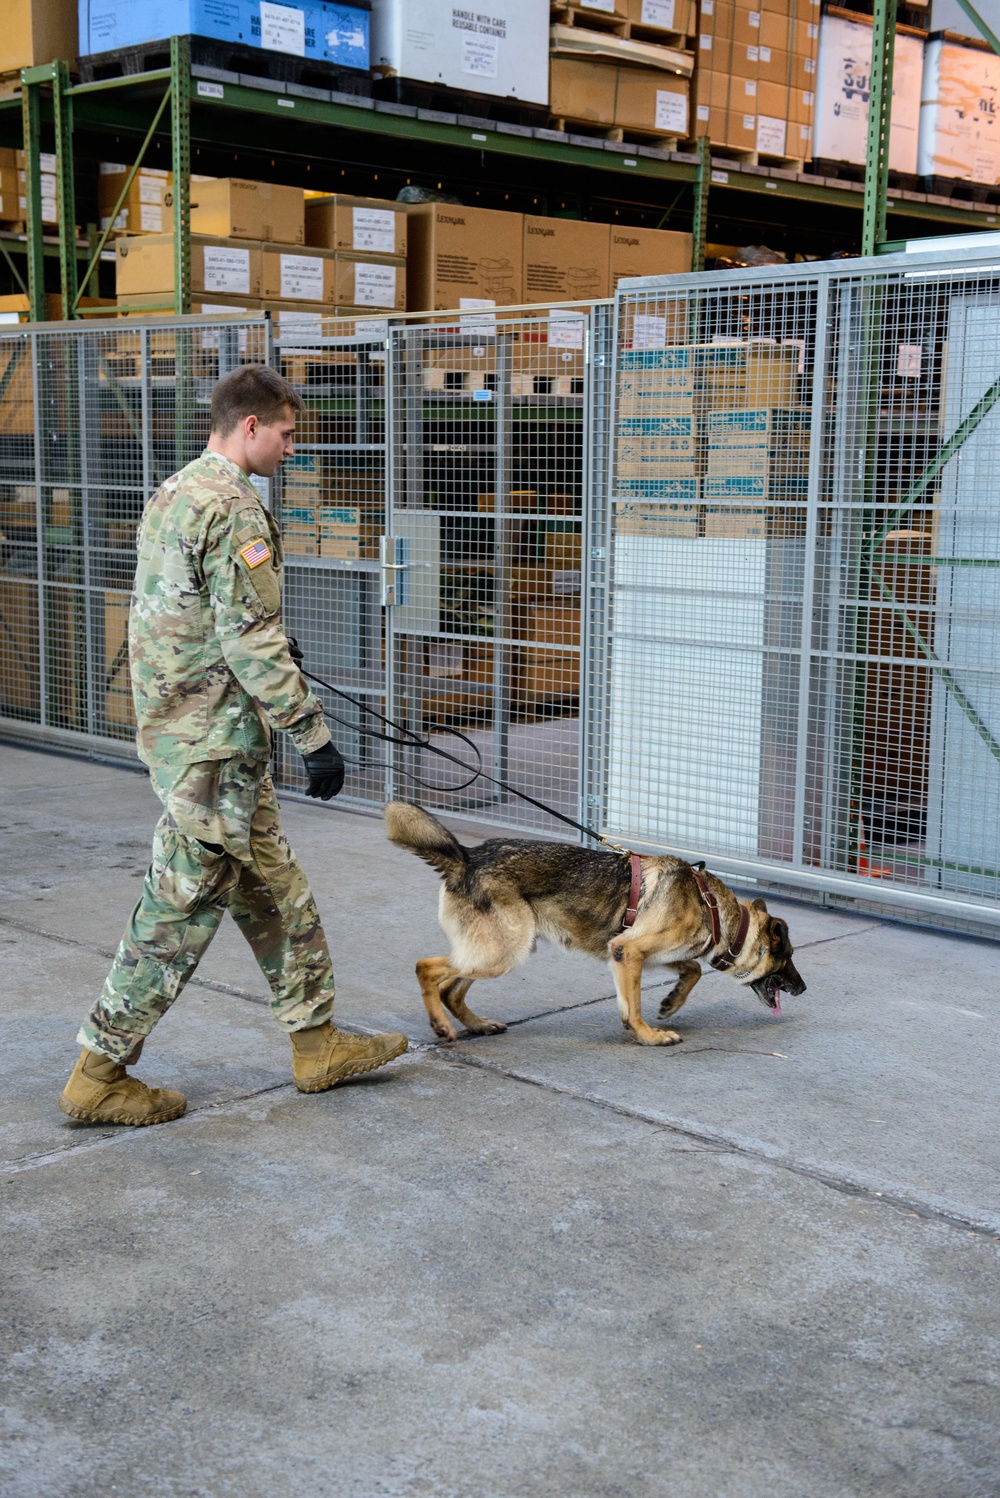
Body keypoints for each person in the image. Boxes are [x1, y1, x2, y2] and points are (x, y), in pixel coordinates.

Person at [59, 364, 407, 1126]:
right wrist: (313, 734)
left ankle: (315, 1043)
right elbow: (248, 639)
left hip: (193, 732)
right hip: (212, 748)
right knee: (178, 911)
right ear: (251, 426)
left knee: (279, 894)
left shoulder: (176, 491)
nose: (292, 449)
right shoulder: (233, 509)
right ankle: (100, 1069)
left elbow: (192, 618)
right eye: (287, 435)